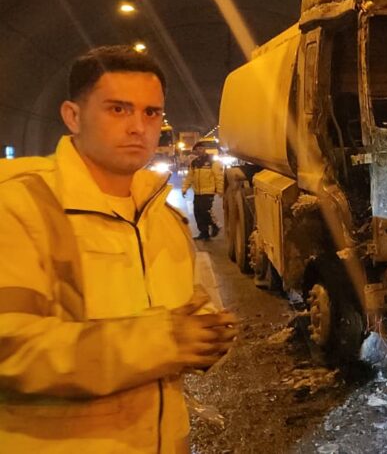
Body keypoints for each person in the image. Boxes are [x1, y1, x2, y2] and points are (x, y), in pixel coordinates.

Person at [0, 45, 239, 452]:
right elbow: (12, 348)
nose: (139, 127)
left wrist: (205, 331)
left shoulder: (162, 216)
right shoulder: (20, 206)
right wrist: (165, 341)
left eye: (151, 113)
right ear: (73, 116)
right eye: (118, 109)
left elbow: (184, 308)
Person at [182, 143, 223, 240]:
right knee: (198, 212)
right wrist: (184, 188)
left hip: (208, 191)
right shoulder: (194, 163)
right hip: (197, 192)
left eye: (201, 148)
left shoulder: (212, 162)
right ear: (195, 151)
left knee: (205, 211)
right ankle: (204, 233)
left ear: (205, 149)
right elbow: (190, 177)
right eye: (197, 149)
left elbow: (219, 177)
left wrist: (220, 190)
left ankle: (215, 225)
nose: (200, 150)